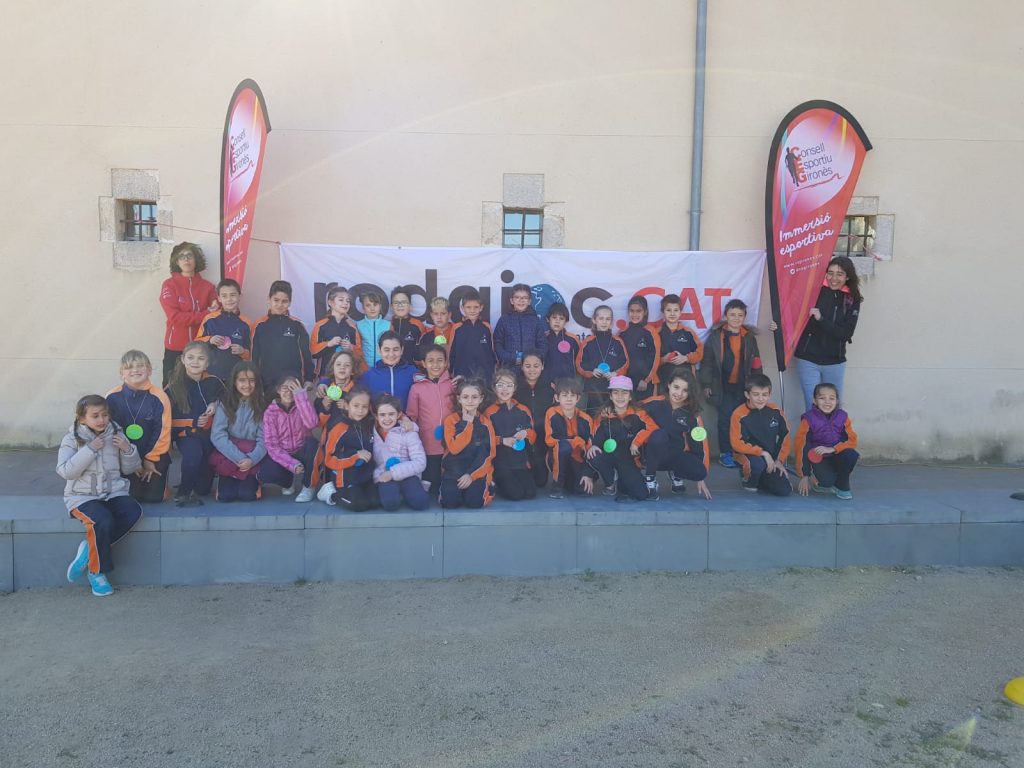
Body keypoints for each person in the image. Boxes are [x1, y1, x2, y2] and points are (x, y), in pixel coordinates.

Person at [58, 395, 143, 597]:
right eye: (95, 416)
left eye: (105, 415)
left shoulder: (117, 434)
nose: (101, 420)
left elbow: (130, 468)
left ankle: (89, 550)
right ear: (82, 419)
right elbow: (66, 471)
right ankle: (97, 572)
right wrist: (89, 449)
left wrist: (128, 449)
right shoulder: (72, 438)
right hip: (82, 496)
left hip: (113, 492)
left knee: (133, 511)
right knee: (101, 520)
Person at [792, 255, 864, 410]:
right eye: (830, 273)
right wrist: (777, 325)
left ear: (847, 277)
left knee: (833, 409)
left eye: (839, 274)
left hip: (834, 362)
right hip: (808, 360)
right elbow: (793, 316)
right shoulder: (814, 292)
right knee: (812, 408)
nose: (834, 278)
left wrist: (821, 319)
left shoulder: (852, 299)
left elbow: (846, 334)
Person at [699, 298, 763, 469]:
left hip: (744, 386)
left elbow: (756, 361)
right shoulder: (716, 336)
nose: (736, 318)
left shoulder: (749, 337)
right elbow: (707, 362)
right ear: (726, 316)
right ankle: (725, 453)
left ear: (744, 317)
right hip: (722, 386)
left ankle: (740, 451)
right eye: (732, 314)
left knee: (743, 420)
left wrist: (757, 384)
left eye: (740, 315)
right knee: (725, 420)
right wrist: (706, 384)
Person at [106, 350, 172, 503]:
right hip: (124, 454)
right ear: (122, 373)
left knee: (154, 497)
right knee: (131, 496)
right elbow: (108, 431)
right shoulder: (112, 397)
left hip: (153, 453)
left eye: (140, 366)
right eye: (129, 367)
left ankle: (162, 487)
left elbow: (163, 431)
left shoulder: (159, 397)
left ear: (149, 370)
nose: (135, 370)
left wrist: (150, 459)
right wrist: (129, 458)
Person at [164, 341, 224, 507]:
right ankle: (183, 492)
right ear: (183, 360)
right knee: (193, 455)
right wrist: (193, 421)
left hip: (211, 436)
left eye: (200, 358)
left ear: (207, 363)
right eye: (190, 357)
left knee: (203, 489)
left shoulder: (214, 381)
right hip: (187, 435)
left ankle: (195, 482)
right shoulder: (173, 387)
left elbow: (227, 400)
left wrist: (216, 404)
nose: (195, 362)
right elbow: (168, 421)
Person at [643, 368, 712, 499]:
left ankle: (676, 473)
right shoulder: (653, 403)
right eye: (676, 387)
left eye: (685, 390)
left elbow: (699, 445)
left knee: (700, 471)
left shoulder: (692, 415)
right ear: (669, 385)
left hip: (674, 455)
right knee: (659, 435)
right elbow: (629, 410)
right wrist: (608, 408)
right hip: (650, 455)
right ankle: (650, 478)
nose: (679, 393)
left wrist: (700, 476)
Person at [588, 376, 657, 503]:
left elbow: (653, 428)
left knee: (641, 494)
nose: (620, 396)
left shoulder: (639, 413)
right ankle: (610, 482)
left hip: (628, 459)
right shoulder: (604, 414)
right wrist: (594, 445)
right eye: (616, 392)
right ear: (610, 396)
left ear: (630, 396)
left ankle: (625, 479)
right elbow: (594, 433)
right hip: (610, 455)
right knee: (594, 455)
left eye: (624, 393)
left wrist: (636, 442)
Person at [209, 362, 270, 502]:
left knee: (247, 495)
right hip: (230, 455)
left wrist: (251, 460)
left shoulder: (263, 406)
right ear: (234, 382)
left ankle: (256, 481)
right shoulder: (225, 403)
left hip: (252, 455)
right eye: (242, 380)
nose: (247, 385)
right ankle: (225, 479)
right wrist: (239, 458)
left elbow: (264, 439)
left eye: (251, 380)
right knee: (225, 497)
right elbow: (218, 435)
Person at [159, 242, 217, 385]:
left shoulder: (208, 287)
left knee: (199, 387)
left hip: (201, 348)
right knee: (171, 388)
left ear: (196, 259)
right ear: (176, 262)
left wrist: (209, 313)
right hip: (175, 348)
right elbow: (175, 317)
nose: (186, 259)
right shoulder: (169, 285)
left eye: (189, 255)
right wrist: (204, 314)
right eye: (181, 256)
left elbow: (215, 314)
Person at [730, 373, 792, 496]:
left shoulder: (775, 411)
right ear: (747, 395)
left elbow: (785, 436)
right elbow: (736, 443)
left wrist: (779, 460)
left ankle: (762, 478)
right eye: (756, 394)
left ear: (770, 395)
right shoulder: (738, 414)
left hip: (770, 459)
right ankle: (748, 479)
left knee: (784, 490)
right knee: (757, 466)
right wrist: (762, 453)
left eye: (764, 395)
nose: (760, 398)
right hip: (748, 455)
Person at [795, 383, 859, 500]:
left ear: (837, 401)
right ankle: (819, 480)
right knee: (827, 482)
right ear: (815, 401)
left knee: (851, 455)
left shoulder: (843, 416)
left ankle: (842, 486)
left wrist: (833, 448)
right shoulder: (808, 419)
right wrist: (805, 475)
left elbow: (852, 440)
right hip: (819, 458)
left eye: (831, 398)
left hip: (836, 453)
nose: (827, 402)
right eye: (822, 398)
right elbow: (802, 446)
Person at [439, 378, 497, 509]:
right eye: (465, 397)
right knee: (450, 503)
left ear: (481, 399)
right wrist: (467, 424)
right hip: (453, 471)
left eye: (474, 397)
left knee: (475, 502)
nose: (470, 401)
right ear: (459, 399)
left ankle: (490, 487)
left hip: (475, 472)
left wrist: (471, 475)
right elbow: (454, 449)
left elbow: (488, 455)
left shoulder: (486, 424)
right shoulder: (451, 420)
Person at [318, 387, 378, 510]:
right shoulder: (339, 427)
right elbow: (329, 459)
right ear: (346, 405)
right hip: (345, 478)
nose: (360, 410)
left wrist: (405, 420)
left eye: (364, 407)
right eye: (356, 406)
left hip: (365, 476)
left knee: (376, 502)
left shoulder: (370, 424)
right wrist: (355, 456)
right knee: (360, 505)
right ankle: (331, 494)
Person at [406, 344, 454, 495]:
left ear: (446, 363)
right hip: (427, 445)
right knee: (431, 487)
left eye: (440, 360)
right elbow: (412, 415)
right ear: (424, 363)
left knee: (448, 483)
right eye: (431, 361)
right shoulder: (416, 388)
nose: (435, 364)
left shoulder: (453, 385)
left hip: (450, 444)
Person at [262, 376, 320, 502]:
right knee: (266, 472)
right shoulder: (270, 413)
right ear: (278, 390)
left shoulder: (302, 404)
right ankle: (288, 482)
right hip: (284, 452)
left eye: (292, 388)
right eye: (285, 388)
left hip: (302, 449)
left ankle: (308, 486)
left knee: (313, 444)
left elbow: (312, 424)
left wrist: (301, 397)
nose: (289, 392)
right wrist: (292, 464)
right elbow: (272, 445)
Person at [484, 368, 537, 501]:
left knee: (530, 493)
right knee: (516, 494)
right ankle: (495, 481)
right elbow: (484, 440)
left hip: (520, 463)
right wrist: (502, 440)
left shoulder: (523, 409)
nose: (505, 389)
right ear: (494, 388)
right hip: (500, 464)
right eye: (500, 385)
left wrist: (526, 433)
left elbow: (533, 436)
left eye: (509, 385)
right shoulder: (489, 412)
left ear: (515, 388)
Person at [372, 393, 431, 511]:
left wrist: (393, 473)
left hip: (408, 475)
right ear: (376, 416)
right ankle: (396, 493)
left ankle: (413, 489)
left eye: (391, 414)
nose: (387, 418)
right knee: (390, 504)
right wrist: (381, 475)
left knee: (420, 503)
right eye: (382, 415)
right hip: (384, 475)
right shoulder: (372, 433)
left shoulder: (408, 432)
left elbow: (420, 462)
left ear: (399, 415)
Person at [251, 280, 313, 388]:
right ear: (269, 299)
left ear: (290, 302)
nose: (280, 305)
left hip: (293, 382)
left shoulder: (297, 325)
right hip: (266, 384)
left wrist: (309, 378)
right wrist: (254, 380)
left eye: (284, 301)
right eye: (276, 300)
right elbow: (254, 356)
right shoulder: (259, 325)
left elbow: (306, 354)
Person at [544, 377, 596, 499]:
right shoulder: (551, 413)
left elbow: (589, 447)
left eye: (572, 396)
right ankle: (557, 486)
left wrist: (587, 473)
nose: (568, 399)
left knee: (583, 491)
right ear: (557, 398)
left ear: (578, 398)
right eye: (564, 395)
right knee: (564, 447)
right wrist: (574, 441)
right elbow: (549, 441)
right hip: (557, 455)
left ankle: (570, 481)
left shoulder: (586, 419)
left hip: (577, 459)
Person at [577, 304, 629, 418]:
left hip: (613, 391)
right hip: (593, 391)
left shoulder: (618, 342)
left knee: (611, 420)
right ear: (594, 320)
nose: (604, 322)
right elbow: (580, 364)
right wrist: (592, 371)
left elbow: (625, 363)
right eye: (601, 318)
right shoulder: (587, 342)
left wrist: (615, 374)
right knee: (593, 419)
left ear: (611, 322)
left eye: (607, 319)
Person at [196, 278, 253, 383]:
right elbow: (196, 344)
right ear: (219, 298)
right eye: (224, 296)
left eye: (233, 295)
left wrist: (242, 351)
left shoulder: (246, 323)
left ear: (240, 296)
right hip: (210, 375)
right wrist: (210, 340)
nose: (229, 299)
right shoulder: (209, 319)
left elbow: (251, 353)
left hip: (236, 378)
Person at [514, 351, 553, 490]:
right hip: (522, 438)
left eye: (536, 366)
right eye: (527, 366)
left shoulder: (551, 387)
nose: (532, 370)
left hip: (542, 439)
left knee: (540, 482)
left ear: (542, 366)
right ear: (522, 367)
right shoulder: (515, 387)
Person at [310, 286, 362, 379]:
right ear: (330, 302)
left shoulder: (352, 327)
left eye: (348, 301)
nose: (345, 303)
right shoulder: (320, 325)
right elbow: (313, 352)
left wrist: (351, 348)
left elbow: (359, 355)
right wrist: (328, 344)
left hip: (346, 378)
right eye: (341, 300)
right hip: (325, 377)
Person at [494, 283, 548, 370]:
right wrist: (513, 358)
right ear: (512, 301)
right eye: (517, 297)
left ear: (529, 301)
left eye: (525, 298)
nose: (521, 300)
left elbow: (543, 344)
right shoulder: (504, 320)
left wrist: (533, 360)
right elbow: (497, 344)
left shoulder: (535, 320)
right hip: (509, 368)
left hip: (531, 369)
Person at [447, 289, 496, 383]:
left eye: (476, 307)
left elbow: (492, 352)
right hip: (462, 375)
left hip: (485, 377)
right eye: (468, 307)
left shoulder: (486, 327)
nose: (472, 310)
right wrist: (451, 372)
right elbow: (451, 353)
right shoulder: (457, 328)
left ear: (481, 307)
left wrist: (493, 371)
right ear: (462, 308)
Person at [359, 331, 418, 409]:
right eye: (386, 350)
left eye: (395, 349)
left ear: (402, 350)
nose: (391, 354)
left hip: (407, 417)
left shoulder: (413, 373)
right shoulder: (368, 376)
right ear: (379, 350)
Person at [656, 293, 703, 384]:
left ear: (680, 312)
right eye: (668, 310)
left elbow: (700, 353)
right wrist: (664, 359)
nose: (672, 313)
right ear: (663, 312)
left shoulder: (688, 332)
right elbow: (649, 359)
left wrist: (686, 358)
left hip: (686, 382)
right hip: (663, 381)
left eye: (676, 310)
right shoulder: (656, 333)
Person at [620, 295, 662, 396]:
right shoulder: (623, 333)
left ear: (645, 312)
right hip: (627, 382)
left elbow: (655, 357)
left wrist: (646, 379)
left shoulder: (651, 332)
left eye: (638, 311)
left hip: (646, 383)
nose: (634, 314)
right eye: (632, 311)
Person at [389, 288, 427, 366]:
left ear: (410, 306)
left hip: (411, 369)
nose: (400, 305)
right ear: (391, 307)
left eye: (404, 302)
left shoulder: (418, 325)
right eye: (396, 303)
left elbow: (425, 349)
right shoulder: (387, 325)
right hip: (391, 369)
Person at [542, 302, 579, 382]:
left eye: (561, 318)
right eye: (554, 317)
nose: (557, 321)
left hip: (568, 382)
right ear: (548, 319)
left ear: (566, 321)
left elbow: (578, 361)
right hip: (547, 382)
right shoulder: (543, 338)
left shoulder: (572, 339)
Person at [416, 297, 456, 363]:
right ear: (431, 315)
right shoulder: (426, 336)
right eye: (436, 314)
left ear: (449, 315)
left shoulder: (458, 332)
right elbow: (421, 360)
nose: (439, 317)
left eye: (443, 313)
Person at [356, 290, 389, 369]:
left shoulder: (388, 325)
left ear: (380, 306)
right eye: (368, 305)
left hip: (384, 367)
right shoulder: (358, 325)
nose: (372, 308)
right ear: (363, 308)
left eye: (375, 304)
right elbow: (357, 348)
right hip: (365, 367)